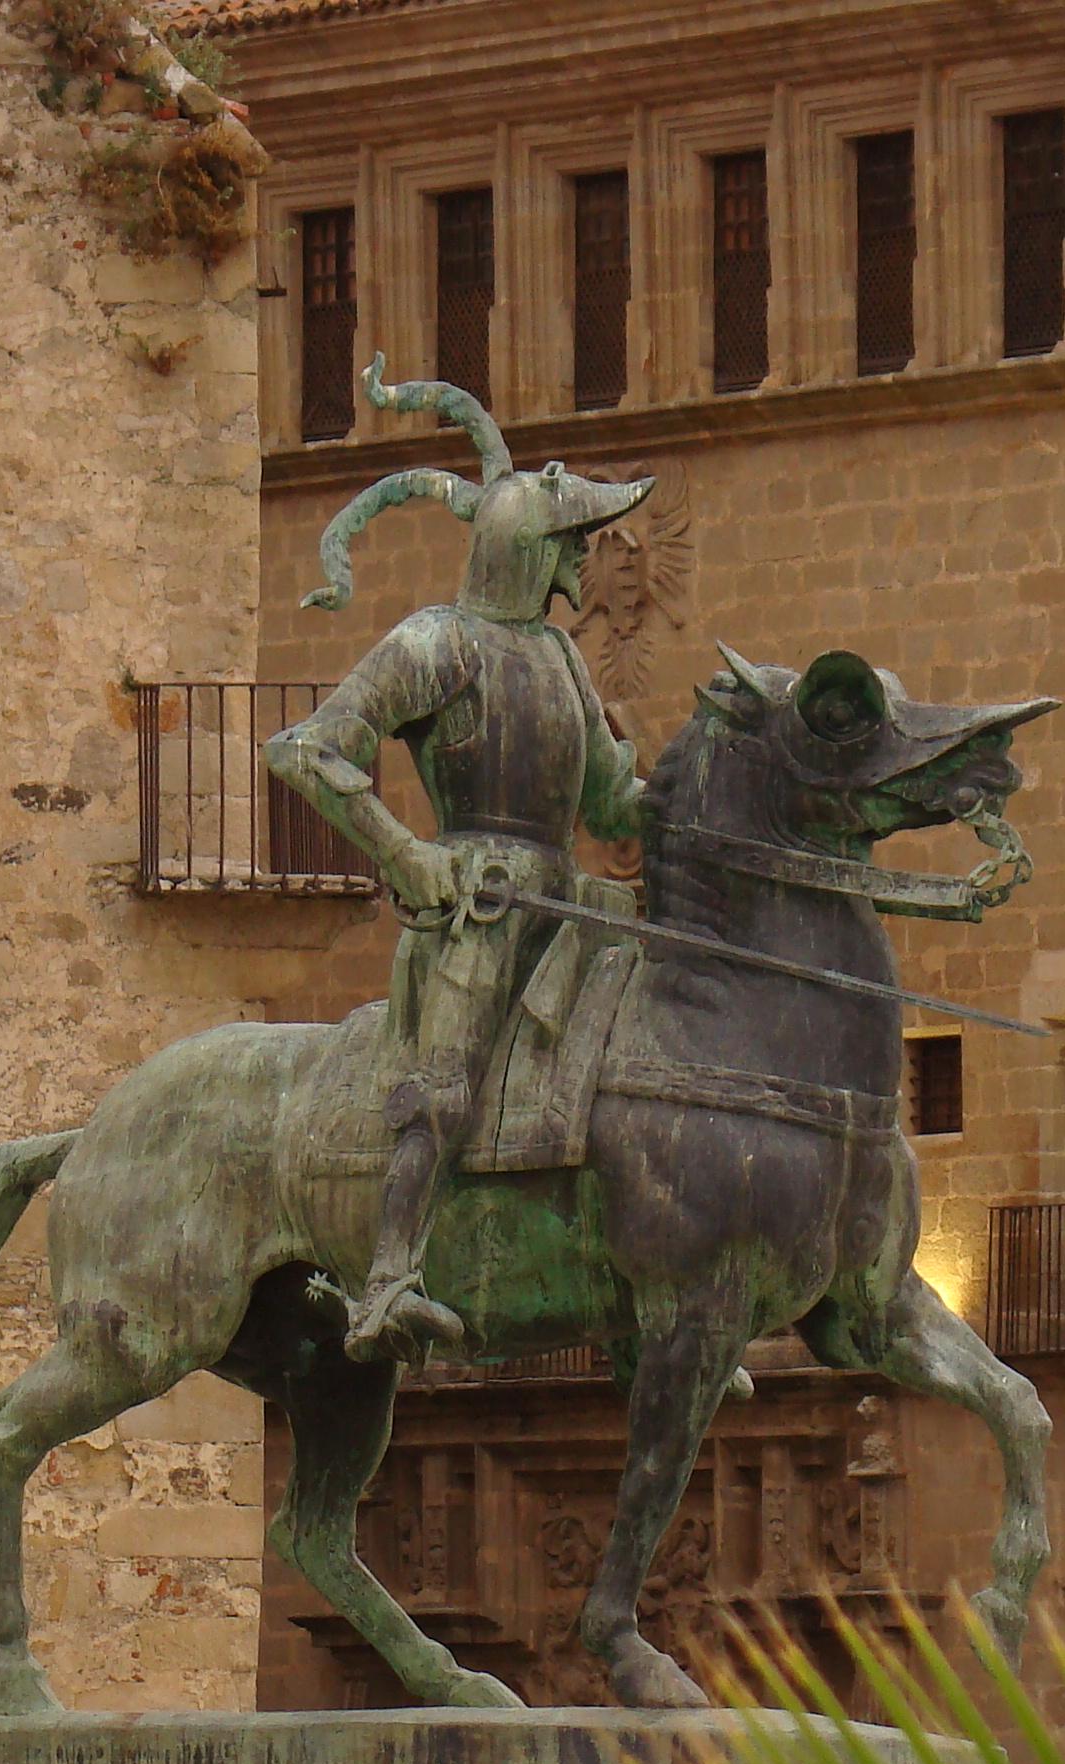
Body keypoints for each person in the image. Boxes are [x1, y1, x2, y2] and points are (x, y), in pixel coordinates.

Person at [264, 361, 652, 1362]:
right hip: (476, 899)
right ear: (537, 549)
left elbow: (612, 803)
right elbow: (305, 750)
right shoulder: (437, 644)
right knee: (449, 1078)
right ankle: (389, 1276)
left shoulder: (562, 660)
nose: (587, 565)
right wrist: (404, 853)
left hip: (570, 898)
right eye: (575, 545)